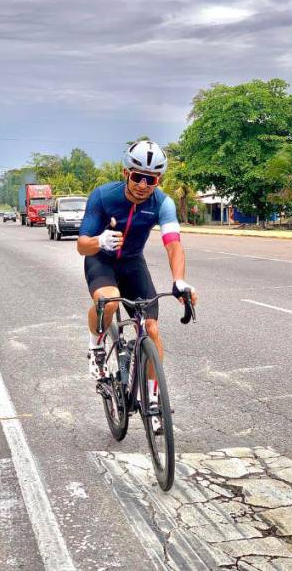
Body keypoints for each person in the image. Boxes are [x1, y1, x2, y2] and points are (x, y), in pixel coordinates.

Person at [77, 140, 197, 431]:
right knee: (110, 300)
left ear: (159, 180)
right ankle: (95, 346)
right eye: (137, 177)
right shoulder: (104, 197)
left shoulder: (163, 203)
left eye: (151, 179)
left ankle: (153, 400)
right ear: (125, 173)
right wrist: (99, 240)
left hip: (132, 262)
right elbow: (81, 246)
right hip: (101, 259)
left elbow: (173, 245)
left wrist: (179, 280)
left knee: (152, 329)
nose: (143, 185)